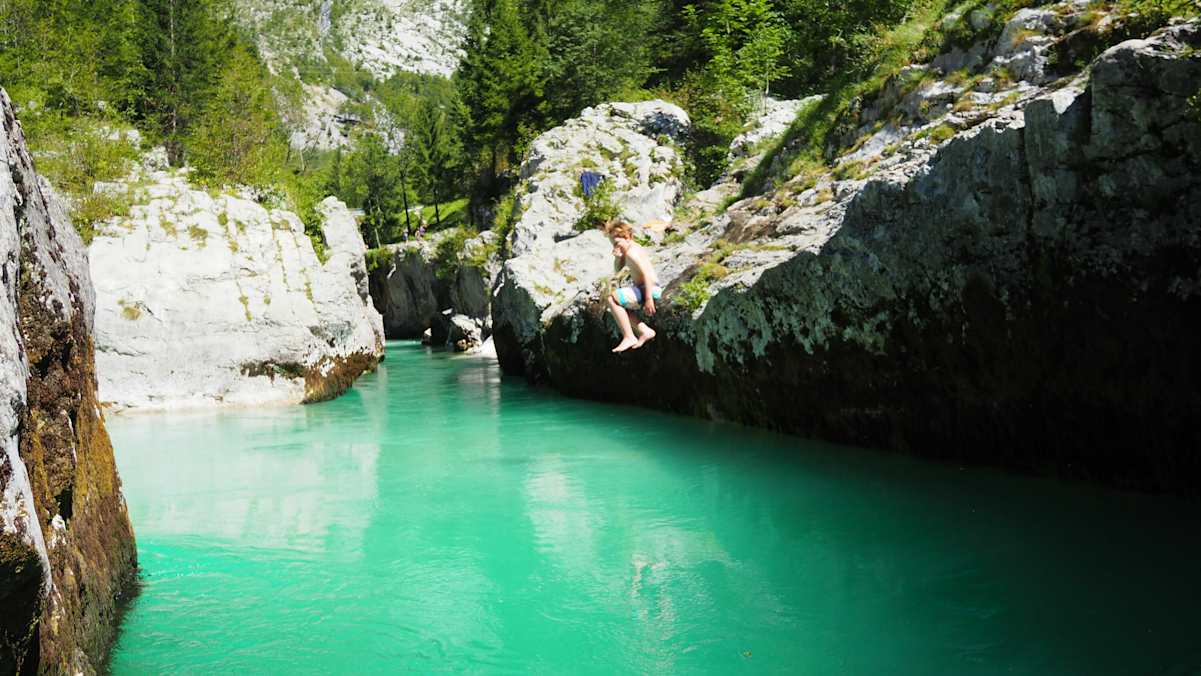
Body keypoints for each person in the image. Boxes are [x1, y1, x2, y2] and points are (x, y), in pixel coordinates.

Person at [604, 219, 660, 353]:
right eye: (613, 245)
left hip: (648, 289)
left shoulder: (632, 253)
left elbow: (646, 274)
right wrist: (618, 257)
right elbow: (618, 270)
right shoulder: (629, 249)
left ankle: (629, 336)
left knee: (611, 299)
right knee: (617, 305)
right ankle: (644, 330)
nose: (616, 247)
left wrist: (648, 299)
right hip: (644, 289)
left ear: (627, 237)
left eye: (617, 243)